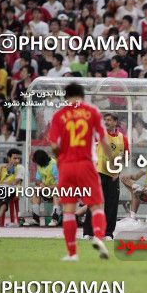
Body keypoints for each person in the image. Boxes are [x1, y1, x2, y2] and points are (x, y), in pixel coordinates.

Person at [48, 83, 113, 261]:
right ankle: (99, 238)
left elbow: (54, 145)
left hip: (66, 166)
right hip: (86, 165)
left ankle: (72, 254)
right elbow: (104, 140)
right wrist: (112, 160)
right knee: (97, 205)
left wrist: (61, 158)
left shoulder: (59, 115)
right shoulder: (92, 112)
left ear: (66, 97)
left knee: (69, 210)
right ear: (82, 96)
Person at [83, 113, 129, 240]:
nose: (106, 122)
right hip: (98, 173)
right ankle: (88, 232)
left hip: (113, 175)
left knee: (112, 205)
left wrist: (119, 167)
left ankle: (108, 233)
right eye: (105, 120)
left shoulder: (122, 138)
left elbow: (126, 156)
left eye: (109, 120)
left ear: (115, 122)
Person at [120, 140, 147, 225]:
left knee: (136, 191)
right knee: (123, 178)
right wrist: (128, 177)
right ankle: (132, 217)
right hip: (144, 190)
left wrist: (146, 187)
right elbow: (136, 176)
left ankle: (133, 216)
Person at [25, 149, 61, 227]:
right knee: (36, 192)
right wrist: (41, 184)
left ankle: (55, 219)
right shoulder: (40, 165)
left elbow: (59, 183)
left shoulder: (54, 165)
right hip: (47, 190)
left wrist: (47, 187)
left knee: (56, 192)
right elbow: (37, 180)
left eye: (38, 162)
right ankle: (35, 219)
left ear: (42, 160)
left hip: (58, 191)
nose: (37, 164)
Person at [0, 148, 24, 227]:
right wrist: (1, 169)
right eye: (15, 158)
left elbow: (15, 182)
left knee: (4, 195)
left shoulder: (20, 167)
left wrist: (3, 184)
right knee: (3, 193)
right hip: (0, 189)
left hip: (13, 190)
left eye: (18, 158)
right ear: (9, 158)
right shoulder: (1, 167)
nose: (17, 160)